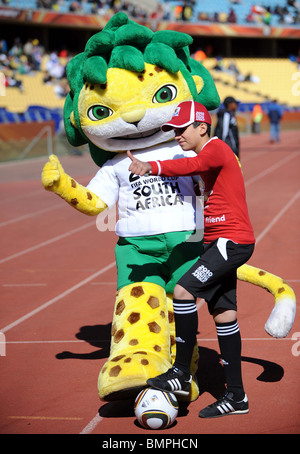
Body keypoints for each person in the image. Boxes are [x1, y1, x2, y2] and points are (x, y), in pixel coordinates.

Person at [127, 100, 255, 418]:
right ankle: (237, 397)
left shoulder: (215, 149)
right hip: (217, 244)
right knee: (224, 315)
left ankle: (181, 372)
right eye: (172, 130)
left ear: (201, 127)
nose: (176, 135)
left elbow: (187, 167)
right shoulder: (206, 158)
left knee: (183, 291)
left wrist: (151, 167)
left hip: (231, 241)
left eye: (181, 129)